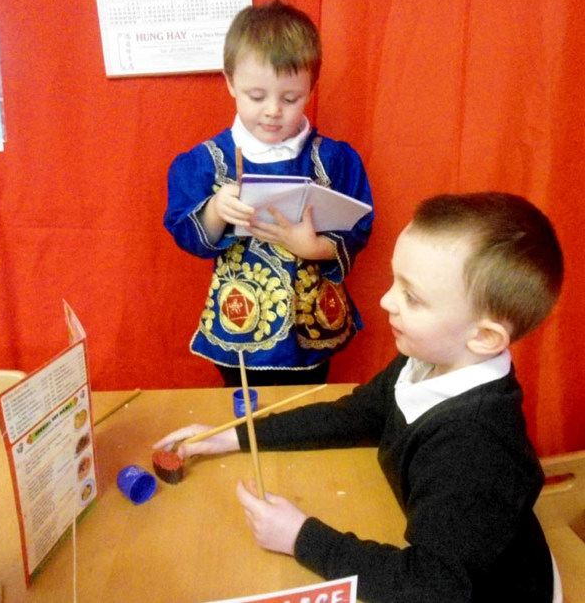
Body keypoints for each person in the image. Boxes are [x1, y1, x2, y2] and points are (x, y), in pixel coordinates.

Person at [155, 192, 564, 602]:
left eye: (413, 297)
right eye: (395, 282)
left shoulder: (474, 450)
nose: (386, 301)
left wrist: (301, 537)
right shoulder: (430, 361)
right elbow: (357, 414)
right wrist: (236, 435)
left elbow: (432, 586)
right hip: (443, 550)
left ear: (485, 337)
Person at [164, 0, 373, 387]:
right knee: (246, 415)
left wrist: (315, 249)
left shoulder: (333, 158)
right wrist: (214, 209)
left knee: (307, 415)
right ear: (230, 83)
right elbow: (184, 231)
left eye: (290, 98)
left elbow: (359, 226)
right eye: (256, 96)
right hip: (238, 322)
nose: (273, 111)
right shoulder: (207, 161)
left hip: (312, 325)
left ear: (311, 87)